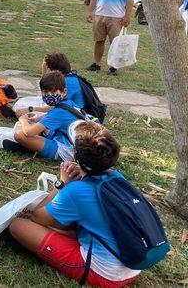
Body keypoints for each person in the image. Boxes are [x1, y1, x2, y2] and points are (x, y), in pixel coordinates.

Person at [9, 122, 140, 287]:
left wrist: (62, 183)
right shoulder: (117, 177)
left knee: (19, 225)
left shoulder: (77, 191)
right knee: (61, 223)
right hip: (133, 262)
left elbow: (37, 217)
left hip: (107, 274)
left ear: (75, 156)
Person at [87, 0, 135, 76]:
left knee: (116, 43)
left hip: (117, 17)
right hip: (100, 15)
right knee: (99, 40)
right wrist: (91, 11)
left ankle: (114, 67)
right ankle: (96, 64)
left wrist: (127, 16)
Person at [13, 71, 80, 162]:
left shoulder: (57, 113)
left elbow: (28, 132)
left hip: (69, 152)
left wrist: (23, 119)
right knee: (39, 126)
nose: (48, 95)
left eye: (52, 92)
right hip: (76, 145)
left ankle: (39, 148)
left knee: (20, 135)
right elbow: (51, 111)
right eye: (45, 92)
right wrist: (35, 118)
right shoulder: (68, 103)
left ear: (64, 92)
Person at [15, 52, 85, 117]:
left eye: (50, 69)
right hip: (62, 108)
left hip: (70, 113)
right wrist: (44, 69)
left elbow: (54, 107)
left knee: (23, 108)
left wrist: (31, 109)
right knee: (23, 102)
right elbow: (46, 86)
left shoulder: (67, 82)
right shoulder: (69, 76)